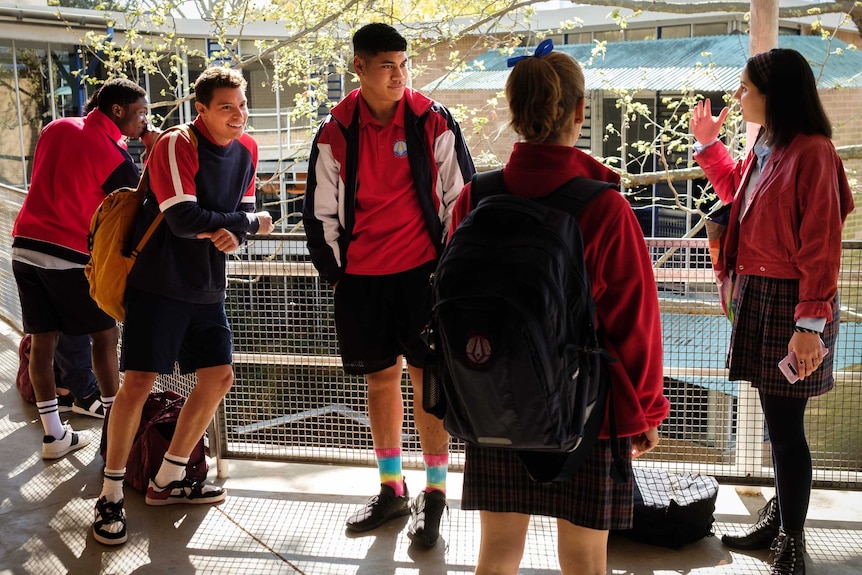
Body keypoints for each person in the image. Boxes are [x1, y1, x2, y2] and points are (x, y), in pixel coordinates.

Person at [448, 41, 668, 575]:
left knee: (496, 554)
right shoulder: (604, 206)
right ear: (578, 111)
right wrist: (646, 410)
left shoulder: (474, 198)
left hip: (494, 398)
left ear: (514, 111)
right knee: (585, 561)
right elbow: (633, 320)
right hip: (586, 409)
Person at [302, 23, 475, 547]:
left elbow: (460, 201)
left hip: (423, 277)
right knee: (380, 383)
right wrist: (338, 275)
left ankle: (436, 494)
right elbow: (319, 213)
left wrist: (448, 272)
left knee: (428, 385)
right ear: (359, 67)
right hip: (362, 281)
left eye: (403, 64)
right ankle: (391, 488)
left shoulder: (432, 120)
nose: (399, 74)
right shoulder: (335, 131)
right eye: (386, 66)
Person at [92, 66, 275, 546]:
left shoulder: (249, 150)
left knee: (218, 378)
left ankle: (168, 479)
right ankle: (110, 494)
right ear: (201, 110)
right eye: (226, 107)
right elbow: (181, 217)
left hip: (209, 286)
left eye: (242, 105)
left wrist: (241, 226)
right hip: (158, 284)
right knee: (138, 385)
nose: (239, 116)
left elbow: (246, 213)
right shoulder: (178, 142)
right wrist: (247, 224)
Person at [691, 48, 854, 575]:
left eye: (746, 88)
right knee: (779, 421)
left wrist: (810, 324)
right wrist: (710, 145)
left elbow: (822, 244)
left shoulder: (814, 152)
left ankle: (791, 540)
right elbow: (735, 194)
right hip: (761, 295)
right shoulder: (768, 142)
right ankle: (782, 521)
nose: (738, 97)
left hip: (793, 301)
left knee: (785, 428)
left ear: (775, 94)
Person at [12, 77, 157, 460]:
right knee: (105, 337)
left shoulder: (56, 126)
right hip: (69, 254)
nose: (145, 120)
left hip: (24, 246)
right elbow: (135, 202)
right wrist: (152, 151)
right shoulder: (112, 153)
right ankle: (114, 429)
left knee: (43, 343)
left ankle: (54, 436)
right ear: (118, 110)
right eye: (141, 113)